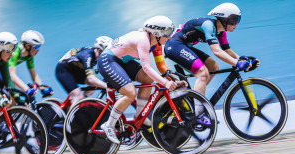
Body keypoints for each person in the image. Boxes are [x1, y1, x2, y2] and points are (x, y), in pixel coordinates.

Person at [97, 16, 187, 144]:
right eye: (167, 33)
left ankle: (140, 114)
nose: (169, 36)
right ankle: (109, 125)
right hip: (108, 60)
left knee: (148, 80)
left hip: (123, 61)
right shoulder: (143, 40)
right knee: (130, 93)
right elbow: (147, 67)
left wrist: (174, 81)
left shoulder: (157, 45)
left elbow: (162, 68)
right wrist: (166, 83)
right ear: (157, 33)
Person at [163, 3, 260, 118]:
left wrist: (243, 59)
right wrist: (238, 63)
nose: (236, 24)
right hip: (174, 46)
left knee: (214, 66)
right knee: (202, 73)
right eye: (233, 20)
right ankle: (198, 114)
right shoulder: (208, 25)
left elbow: (227, 51)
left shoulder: (221, 31)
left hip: (184, 46)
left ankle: (194, 98)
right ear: (224, 19)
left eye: (237, 20)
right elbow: (217, 51)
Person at [0, 30, 53, 98]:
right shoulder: (15, 52)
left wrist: (42, 89)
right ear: (27, 45)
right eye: (36, 47)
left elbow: (34, 75)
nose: (38, 50)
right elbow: (12, 75)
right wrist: (27, 89)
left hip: (3, 71)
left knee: (14, 96)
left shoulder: (29, 56)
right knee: (12, 89)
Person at [55, 36, 112, 105]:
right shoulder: (87, 55)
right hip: (64, 70)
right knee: (78, 95)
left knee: (96, 84)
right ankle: (75, 111)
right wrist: (108, 86)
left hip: (77, 71)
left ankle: (82, 104)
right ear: (99, 50)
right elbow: (91, 79)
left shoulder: (99, 55)